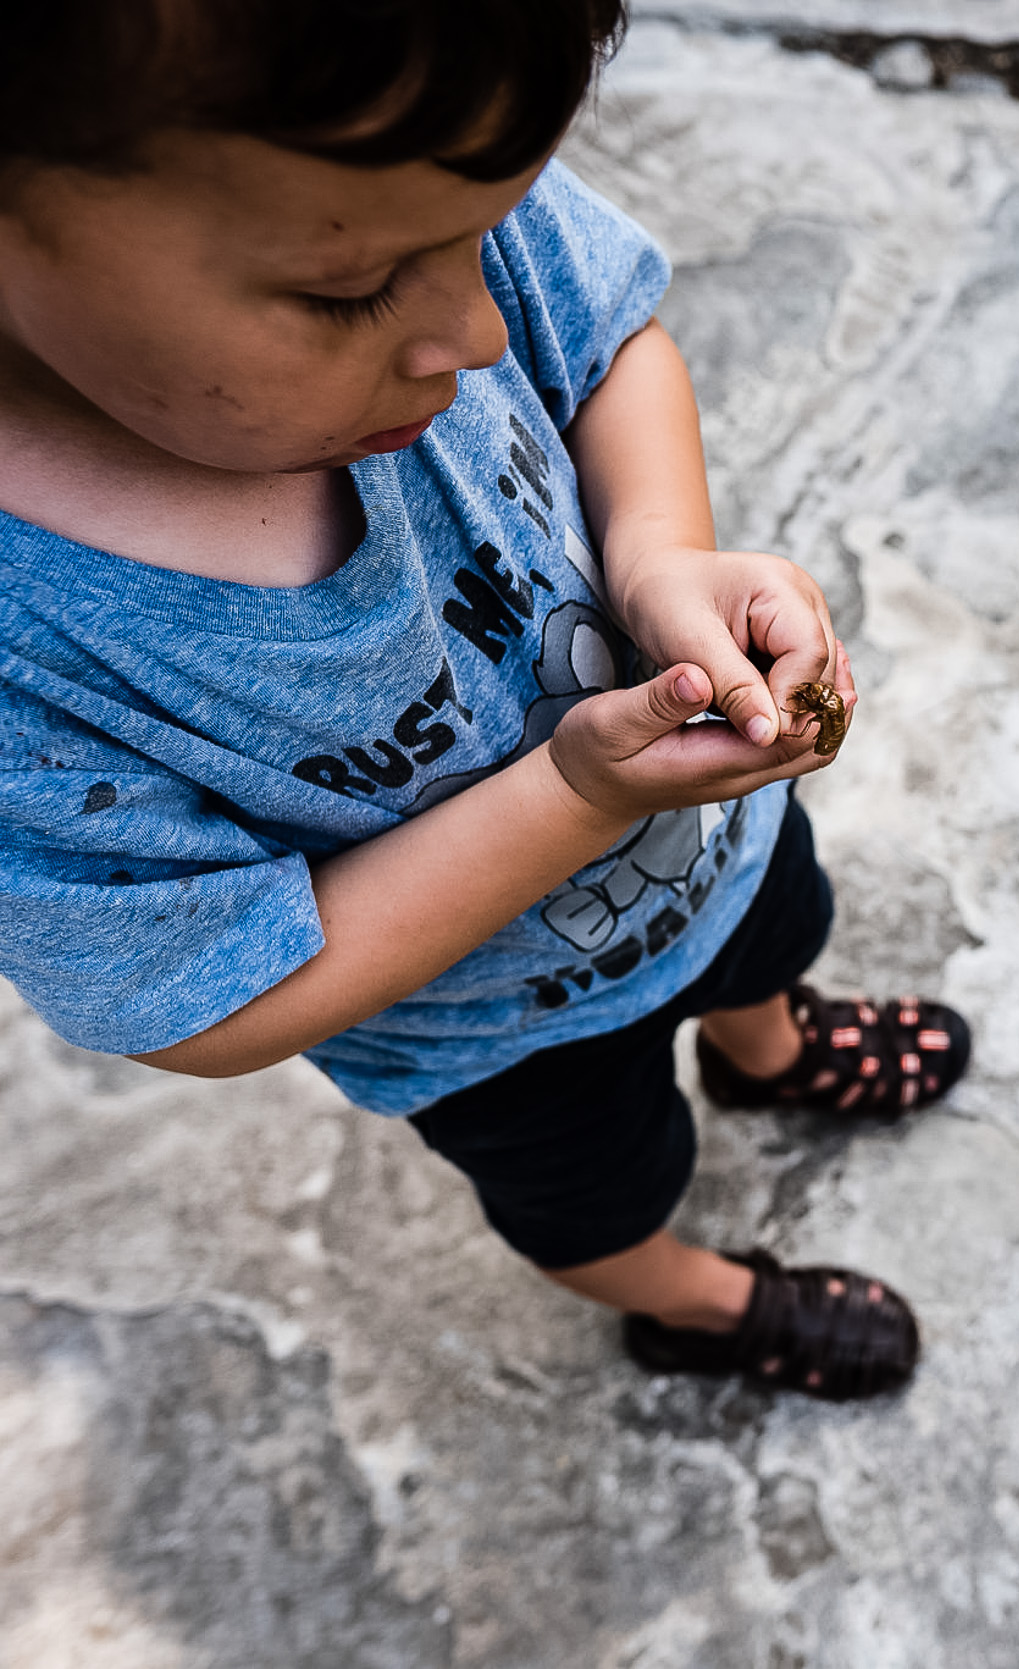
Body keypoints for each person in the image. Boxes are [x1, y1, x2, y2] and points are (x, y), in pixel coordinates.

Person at [0, 0, 967, 1401]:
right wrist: (574, 796)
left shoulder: (401, 179)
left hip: (707, 853)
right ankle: (694, 1300)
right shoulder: (30, 656)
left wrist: (660, 557)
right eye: (349, 292)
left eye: (484, 236)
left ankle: (768, 1046)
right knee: (599, 1203)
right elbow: (201, 998)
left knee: (770, 938)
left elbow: (610, 342)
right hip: (498, 1038)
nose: (468, 326)